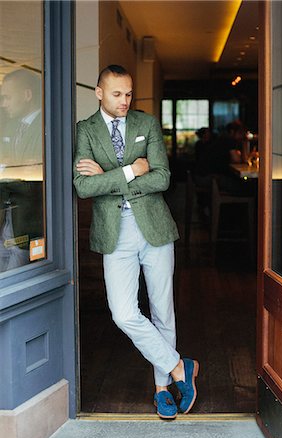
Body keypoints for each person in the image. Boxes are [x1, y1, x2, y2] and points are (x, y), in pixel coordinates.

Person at [73, 65, 199, 419]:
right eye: (116, 94)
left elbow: (162, 178)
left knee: (163, 310)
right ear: (99, 93)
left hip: (155, 228)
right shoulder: (85, 131)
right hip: (116, 232)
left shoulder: (147, 124)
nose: (124, 101)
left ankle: (163, 389)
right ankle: (179, 367)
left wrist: (109, 177)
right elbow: (83, 187)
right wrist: (130, 170)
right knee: (124, 313)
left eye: (128, 93)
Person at [0, 69, 43, 272]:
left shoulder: (47, 125)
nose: (3, 104)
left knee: (11, 288)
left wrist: (12, 168)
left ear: (27, 95)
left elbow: (35, 178)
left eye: (7, 97)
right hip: (7, 225)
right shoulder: (9, 128)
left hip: (30, 227)